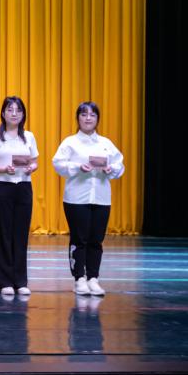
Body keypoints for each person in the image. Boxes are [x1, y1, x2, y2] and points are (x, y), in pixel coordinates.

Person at [52, 101, 125, 296]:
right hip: (76, 198)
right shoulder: (70, 142)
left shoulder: (105, 143)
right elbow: (57, 163)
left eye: (92, 115)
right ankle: (79, 279)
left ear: (97, 119)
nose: (88, 118)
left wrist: (111, 169)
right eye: (84, 114)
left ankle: (93, 278)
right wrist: (77, 167)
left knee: (96, 240)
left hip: (101, 198)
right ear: (78, 118)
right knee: (79, 239)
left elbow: (120, 165)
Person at [0, 96, 38, 297]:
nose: (14, 113)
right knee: (4, 234)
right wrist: (3, 169)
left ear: (23, 114)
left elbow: (35, 162)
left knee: (21, 234)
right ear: (3, 113)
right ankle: (5, 281)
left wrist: (31, 168)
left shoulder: (28, 136)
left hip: (23, 186)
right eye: (10, 109)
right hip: (3, 186)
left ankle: (20, 281)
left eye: (18, 110)